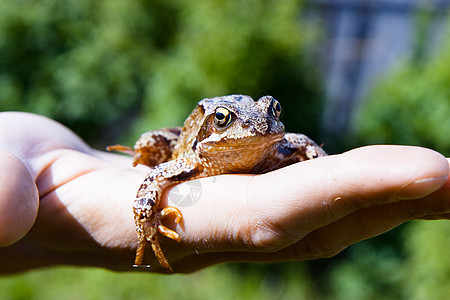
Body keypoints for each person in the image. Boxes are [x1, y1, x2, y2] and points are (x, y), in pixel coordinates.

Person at [0, 111, 449, 275]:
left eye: (270, 114)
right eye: (230, 122)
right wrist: (148, 227)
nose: (259, 126)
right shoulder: (192, 158)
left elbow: (306, 147)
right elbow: (150, 181)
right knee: (149, 143)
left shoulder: (276, 144)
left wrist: (320, 165)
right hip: (187, 143)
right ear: (214, 126)